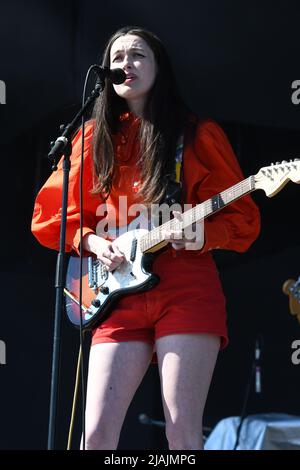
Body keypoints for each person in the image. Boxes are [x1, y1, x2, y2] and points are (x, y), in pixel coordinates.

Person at [31, 26, 260, 450]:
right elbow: (50, 216)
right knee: (95, 435)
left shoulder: (196, 134)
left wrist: (201, 235)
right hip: (116, 292)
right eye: (117, 59)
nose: (125, 65)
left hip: (186, 288)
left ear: (160, 67)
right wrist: (95, 242)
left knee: (182, 433)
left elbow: (243, 218)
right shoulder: (90, 137)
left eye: (137, 55)